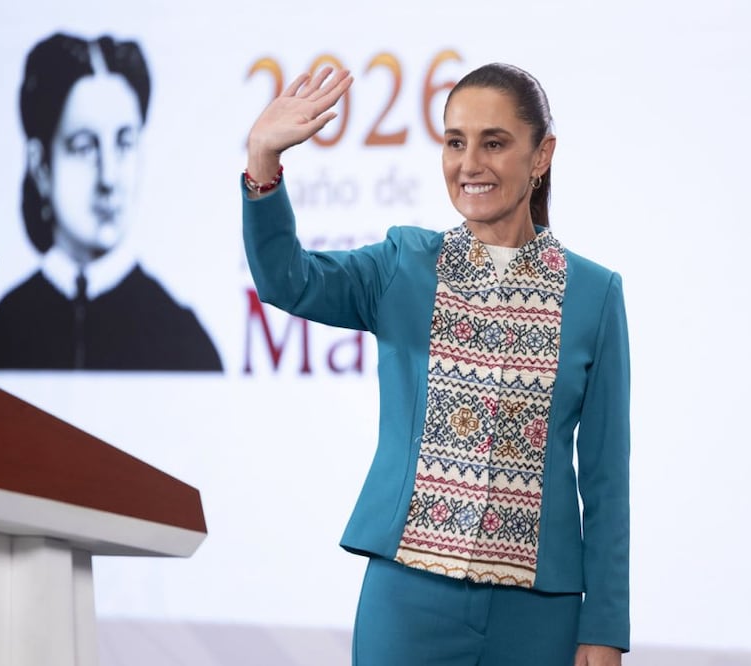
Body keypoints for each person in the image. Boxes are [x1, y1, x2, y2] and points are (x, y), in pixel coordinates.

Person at [242, 64, 630, 665]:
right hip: (408, 603)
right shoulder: (404, 264)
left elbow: (605, 479)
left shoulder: (594, 294)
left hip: (538, 615)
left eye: (494, 143)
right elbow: (286, 280)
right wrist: (262, 160)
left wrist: (603, 626)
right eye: (455, 142)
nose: (469, 163)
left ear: (541, 155)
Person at [0, 32, 222, 371]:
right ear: (40, 164)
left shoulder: (183, 341)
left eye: (124, 144)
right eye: (85, 147)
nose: (109, 178)